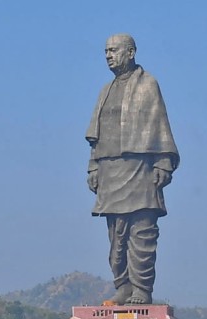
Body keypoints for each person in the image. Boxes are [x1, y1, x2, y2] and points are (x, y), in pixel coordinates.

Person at [86, 33, 179, 305]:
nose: (108, 55)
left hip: (140, 167)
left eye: (114, 50)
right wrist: (93, 168)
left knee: (141, 232)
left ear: (131, 52)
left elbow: (159, 123)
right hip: (110, 170)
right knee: (116, 237)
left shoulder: (148, 84)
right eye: (106, 51)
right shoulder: (105, 90)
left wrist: (163, 161)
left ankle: (141, 289)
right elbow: (96, 136)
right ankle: (123, 285)